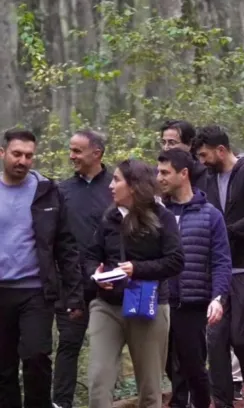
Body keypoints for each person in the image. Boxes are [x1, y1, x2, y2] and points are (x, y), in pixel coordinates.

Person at [84, 159, 185, 408]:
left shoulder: (163, 217)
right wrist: (94, 274)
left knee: (150, 389)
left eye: (117, 180)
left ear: (134, 186)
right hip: (106, 305)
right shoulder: (108, 217)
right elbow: (90, 256)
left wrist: (138, 269)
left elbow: (175, 261)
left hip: (147, 304)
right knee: (98, 381)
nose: (110, 185)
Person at [0, 129, 84, 408]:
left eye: (28, 155)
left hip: (36, 290)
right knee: (4, 365)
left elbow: (66, 246)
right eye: (17, 154)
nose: (23, 161)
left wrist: (74, 294)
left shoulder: (47, 191)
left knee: (36, 355)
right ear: (2, 153)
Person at [196, 125, 244, 408]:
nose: (202, 161)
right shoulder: (206, 178)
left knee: (242, 339)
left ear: (221, 150)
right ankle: (222, 402)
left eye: (205, 154)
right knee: (215, 341)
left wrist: (226, 232)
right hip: (215, 271)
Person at [158, 149, 232, 408]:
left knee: (194, 367)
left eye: (165, 172)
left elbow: (222, 260)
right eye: (158, 172)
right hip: (160, 302)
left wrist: (218, 298)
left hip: (193, 303)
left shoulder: (210, 215)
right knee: (167, 365)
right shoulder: (156, 213)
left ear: (184, 174)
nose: (160, 178)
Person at [53, 130, 112, 408]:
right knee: (68, 344)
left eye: (77, 151)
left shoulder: (118, 187)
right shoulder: (61, 191)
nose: (71, 156)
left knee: (113, 350)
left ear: (96, 153)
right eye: (70, 149)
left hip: (111, 284)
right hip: (71, 284)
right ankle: (61, 403)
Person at [160, 120, 209, 190]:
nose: (166, 148)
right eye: (163, 142)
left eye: (172, 143)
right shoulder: (158, 172)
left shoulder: (202, 173)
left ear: (189, 144)